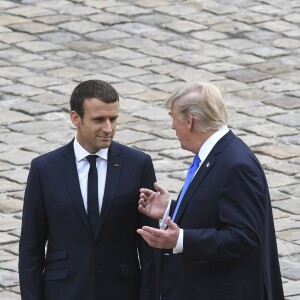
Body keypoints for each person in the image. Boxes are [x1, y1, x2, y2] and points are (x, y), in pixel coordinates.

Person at [137, 82, 284, 300]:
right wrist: (171, 209)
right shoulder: (215, 154)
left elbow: (246, 237)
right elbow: (216, 211)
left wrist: (180, 240)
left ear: (189, 121)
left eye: (173, 117)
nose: (172, 126)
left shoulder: (235, 165)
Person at [19, 79, 160, 300]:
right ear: (76, 118)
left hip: (121, 291)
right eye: (99, 120)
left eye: (113, 119)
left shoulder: (138, 164)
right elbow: (31, 247)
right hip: (64, 292)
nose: (108, 128)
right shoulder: (45, 169)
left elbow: (150, 244)